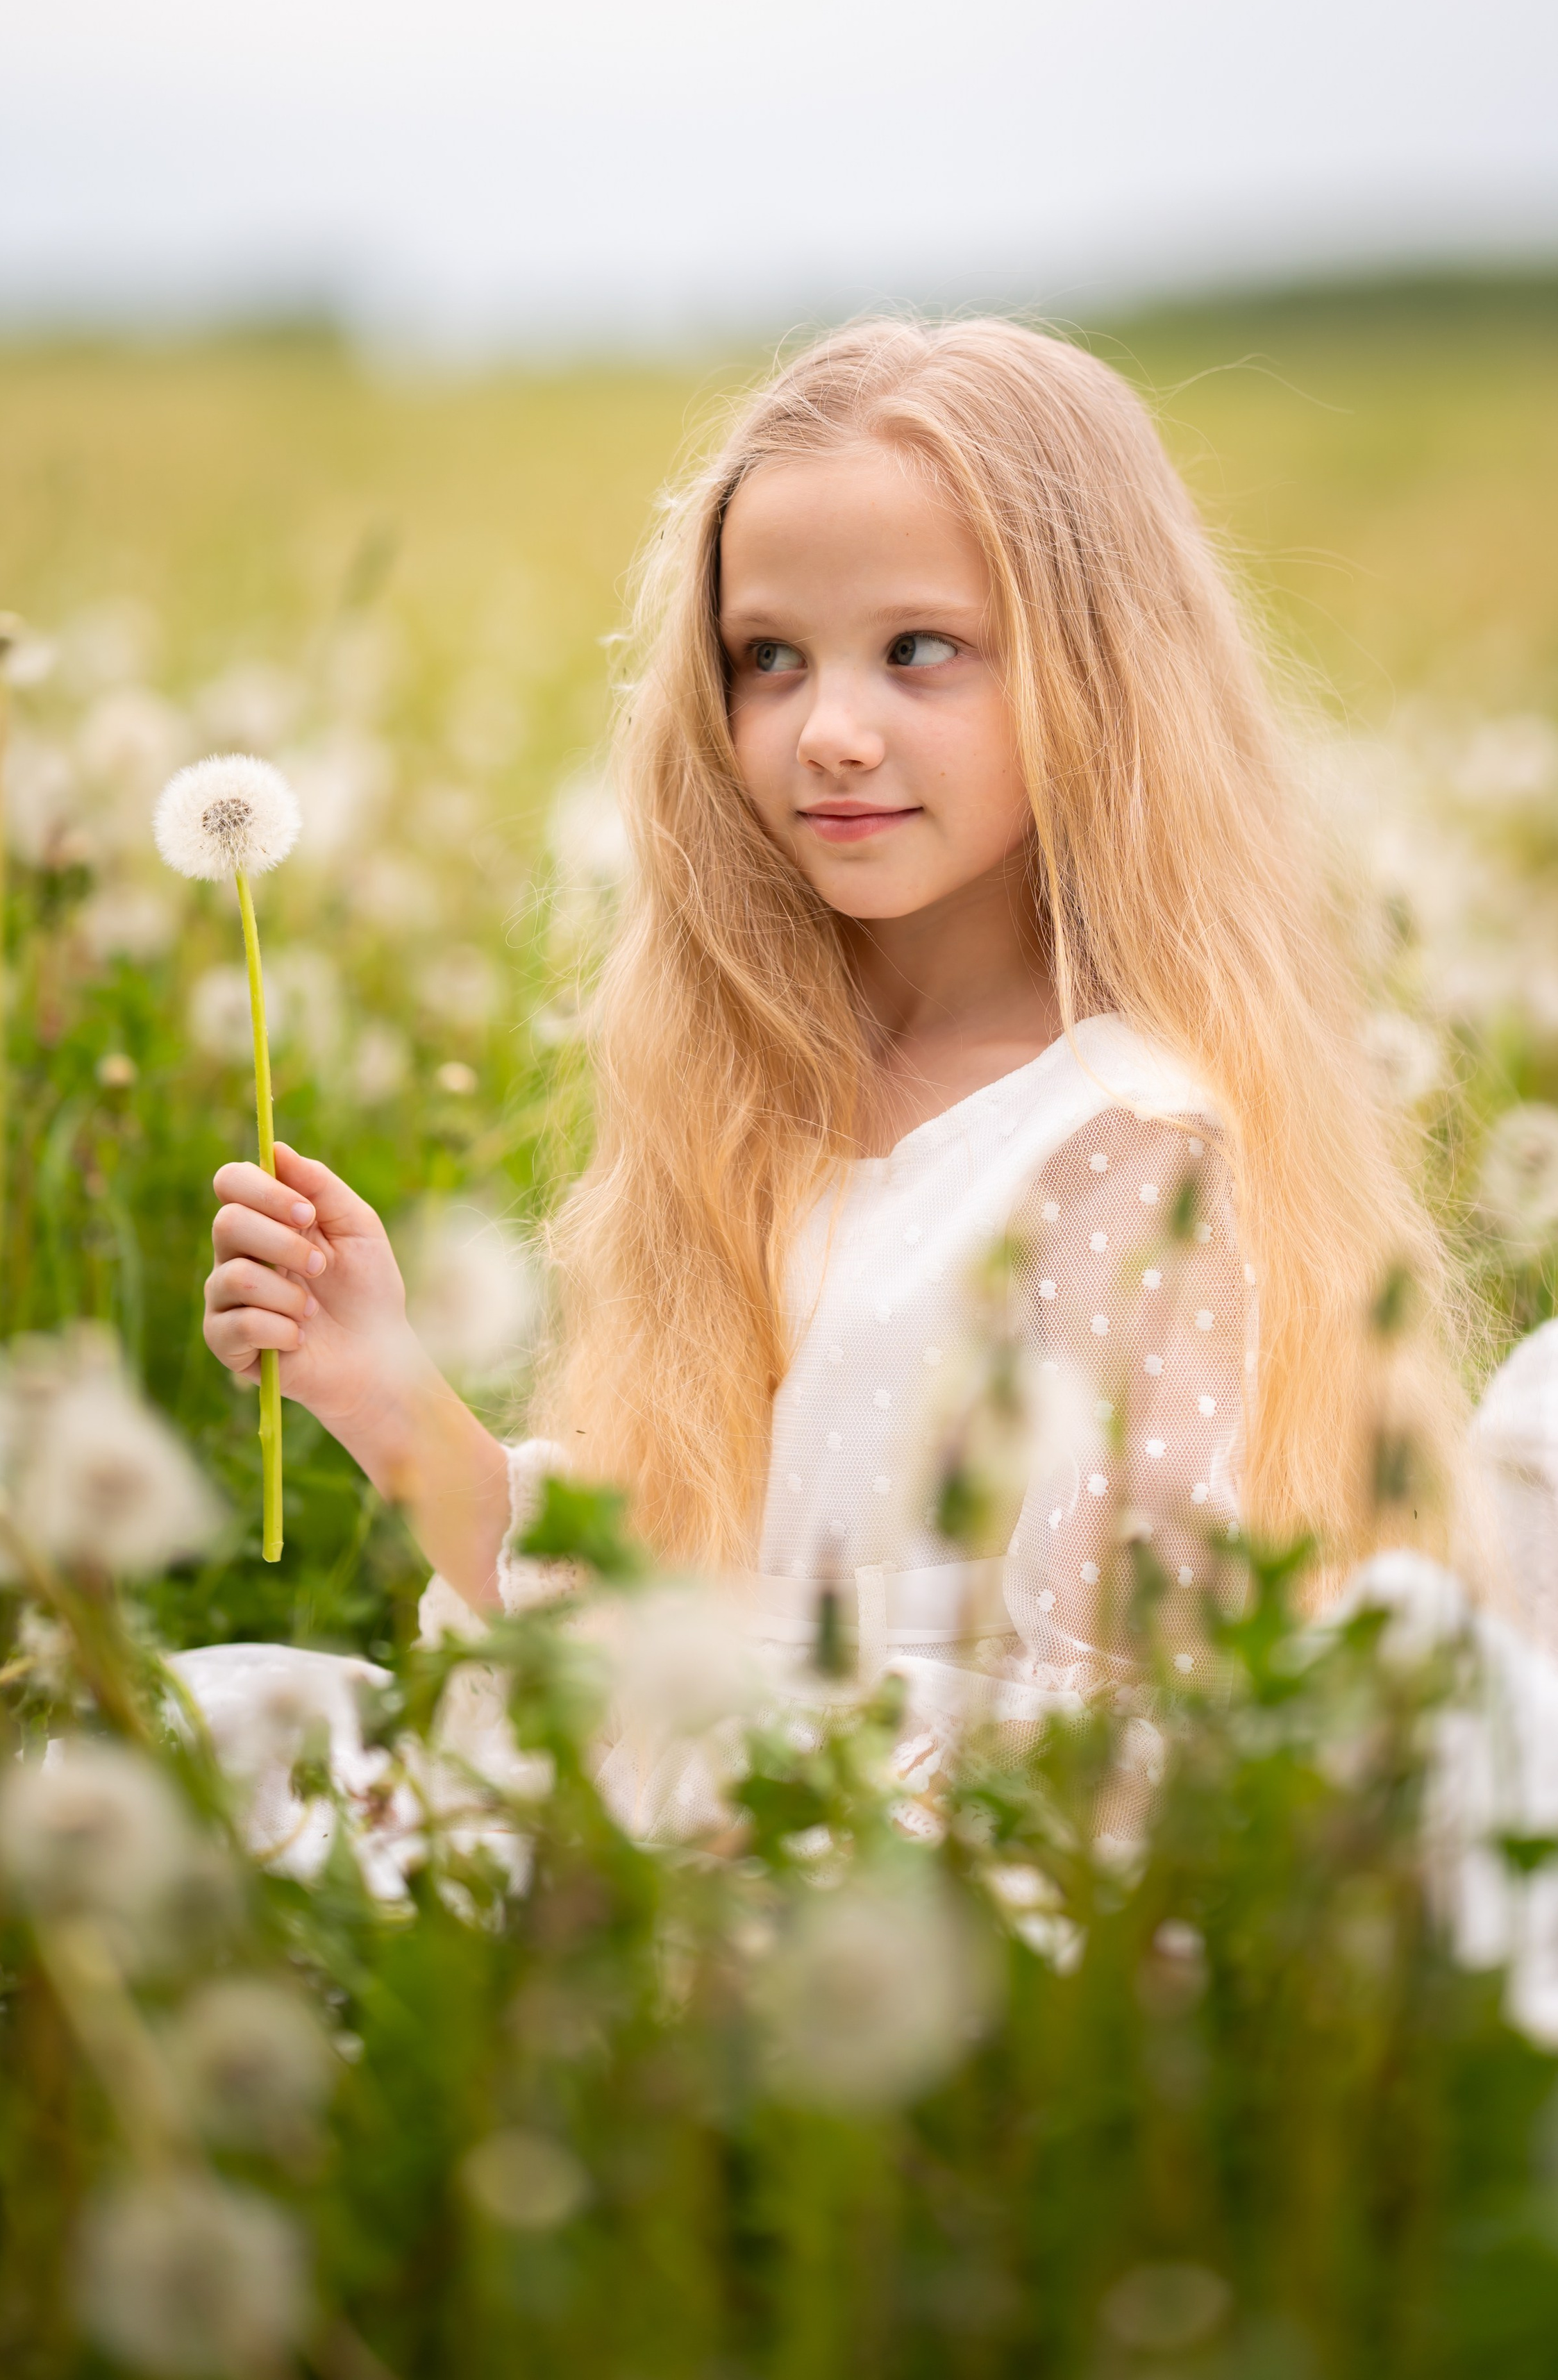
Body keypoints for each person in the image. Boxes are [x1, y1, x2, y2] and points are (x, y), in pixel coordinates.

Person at [199, 317, 1468, 1737]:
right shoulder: (759, 1086)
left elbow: (1113, 1731)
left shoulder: (1119, 1141)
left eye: (917, 650)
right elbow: (650, 1616)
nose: (828, 730)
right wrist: (382, 1390)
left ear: (1098, 675)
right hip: (734, 1821)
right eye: (769, 657)